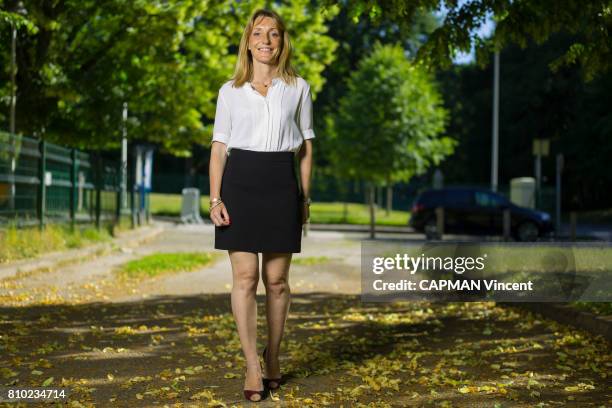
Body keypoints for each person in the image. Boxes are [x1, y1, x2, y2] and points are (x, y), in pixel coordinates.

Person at [207, 8, 315, 403]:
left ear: (282, 42)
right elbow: (219, 148)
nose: (266, 41)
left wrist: (304, 198)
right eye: (258, 33)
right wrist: (215, 197)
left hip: (281, 184)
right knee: (245, 278)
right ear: (248, 41)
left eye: (274, 34)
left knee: (277, 281)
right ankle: (252, 362)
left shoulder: (299, 87)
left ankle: (274, 354)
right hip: (240, 184)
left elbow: (305, 148)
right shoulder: (229, 91)